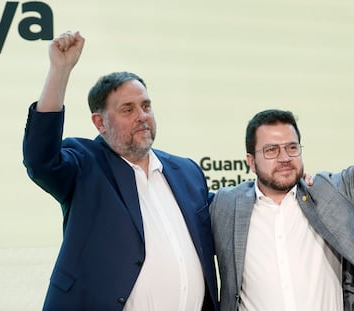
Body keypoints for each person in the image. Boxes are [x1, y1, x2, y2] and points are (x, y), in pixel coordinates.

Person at [22, 31, 218, 311]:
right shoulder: (85, 164)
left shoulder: (186, 171)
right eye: (128, 109)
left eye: (146, 106)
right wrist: (60, 70)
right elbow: (39, 159)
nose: (142, 116)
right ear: (100, 123)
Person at [210, 57, 354, 311]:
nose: (284, 158)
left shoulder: (329, 193)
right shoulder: (225, 206)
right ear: (251, 161)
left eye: (292, 147)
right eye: (271, 150)